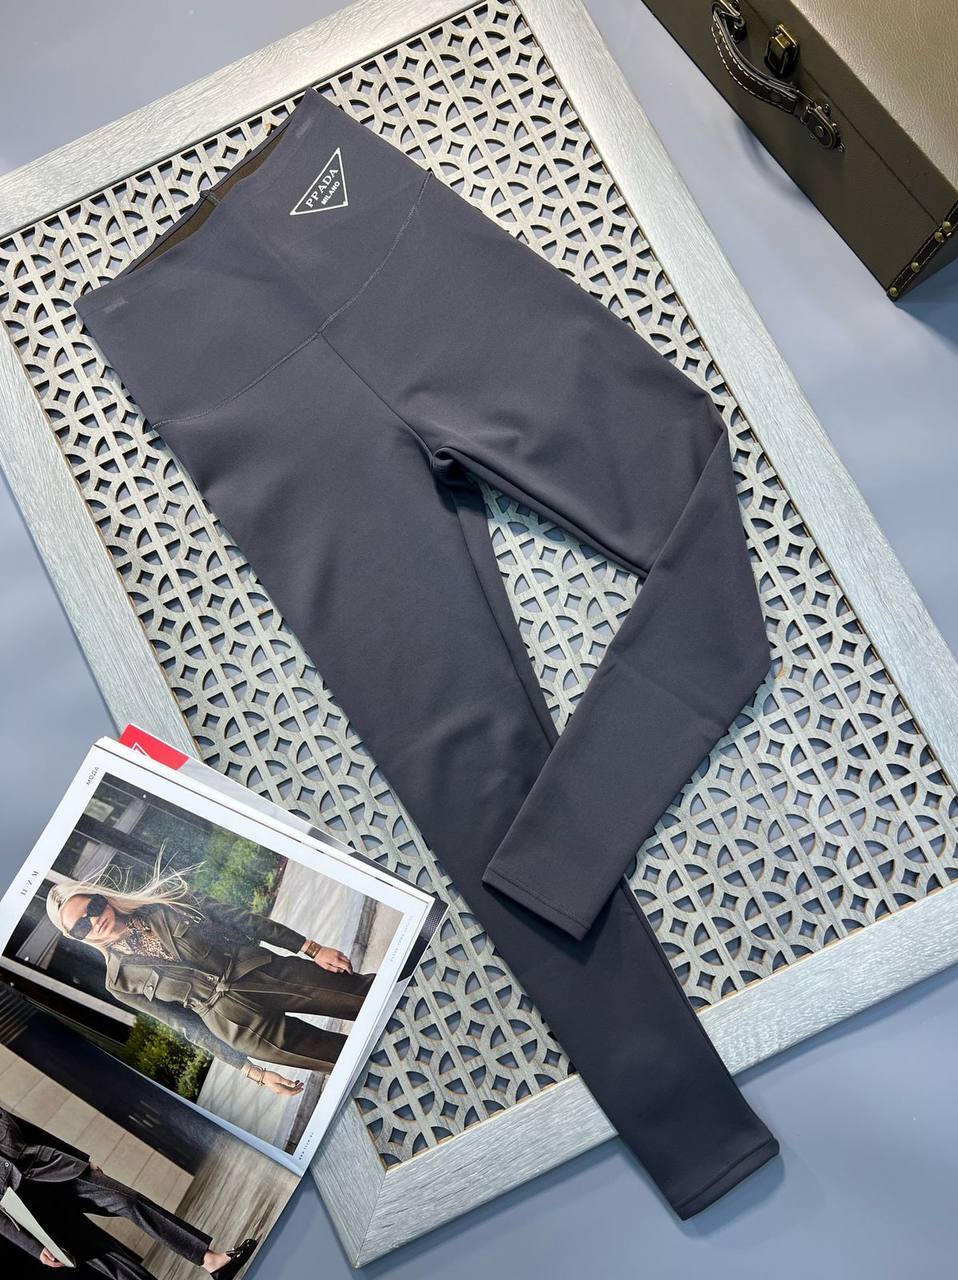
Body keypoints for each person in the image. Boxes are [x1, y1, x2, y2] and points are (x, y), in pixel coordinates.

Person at [46, 860, 376, 1097]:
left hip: (262, 971)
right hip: (240, 1027)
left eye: (92, 908)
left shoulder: (166, 900)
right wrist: (257, 1074)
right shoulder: (119, 984)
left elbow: (242, 920)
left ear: (101, 898)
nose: (94, 921)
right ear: (76, 937)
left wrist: (311, 948)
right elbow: (187, 1027)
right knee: (345, 1061)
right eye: (81, 926)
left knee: (367, 997)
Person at [0, 1106, 256, 1278]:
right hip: (27, 1205)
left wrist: (80, 1158)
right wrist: (33, 1247)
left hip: (53, 1167)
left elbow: (32, 1132)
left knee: (128, 1201)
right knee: (105, 1257)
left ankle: (210, 1260)